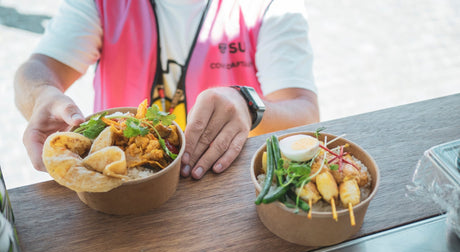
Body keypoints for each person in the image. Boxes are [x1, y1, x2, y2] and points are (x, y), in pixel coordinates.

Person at [14, 0, 319, 180]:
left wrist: (248, 105)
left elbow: (304, 110)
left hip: (222, 183)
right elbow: (37, 70)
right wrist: (43, 95)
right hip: (121, 187)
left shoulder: (269, 6)